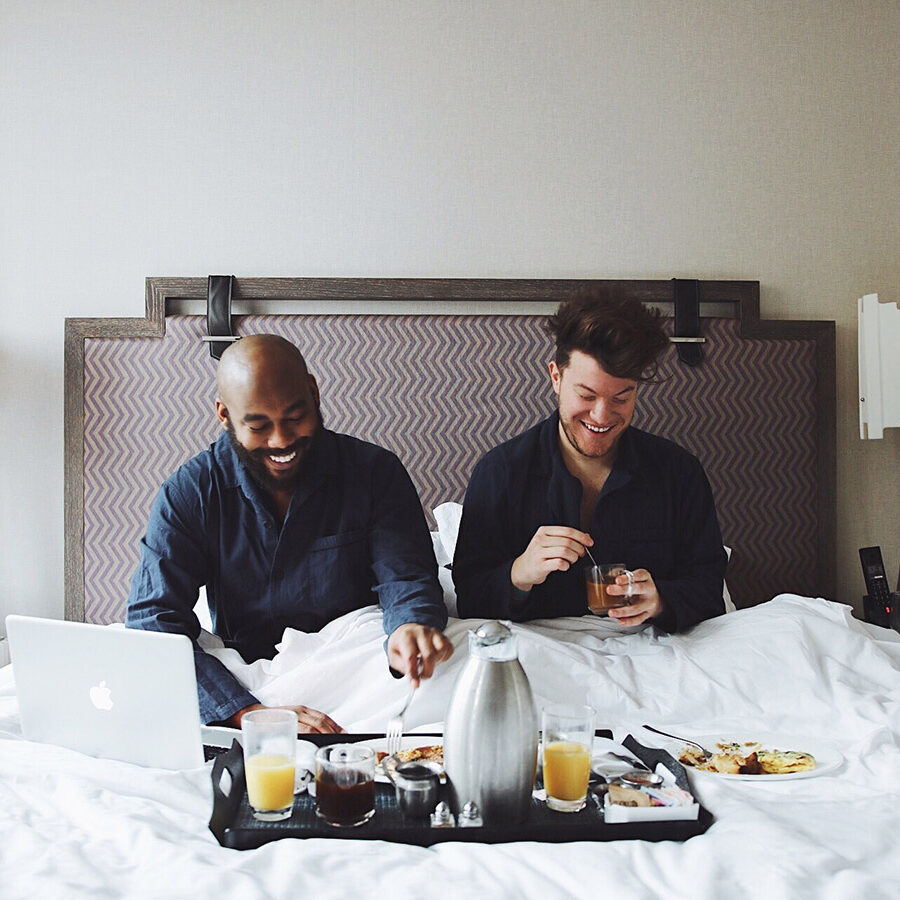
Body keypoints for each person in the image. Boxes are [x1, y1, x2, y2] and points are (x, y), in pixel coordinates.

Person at [126, 334, 452, 733]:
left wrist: (409, 627)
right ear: (224, 415)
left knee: (471, 664)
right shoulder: (190, 492)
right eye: (259, 426)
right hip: (248, 678)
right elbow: (152, 622)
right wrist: (249, 714)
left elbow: (406, 578)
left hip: (360, 669)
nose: (281, 441)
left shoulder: (375, 472)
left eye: (295, 417)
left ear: (314, 393)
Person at [453, 294, 727, 633]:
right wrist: (519, 573)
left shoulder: (678, 473)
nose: (601, 416)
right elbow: (468, 599)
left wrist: (661, 600)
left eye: (621, 398)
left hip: (653, 659)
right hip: (541, 657)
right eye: (586, 395)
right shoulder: (500, 472)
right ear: (556, 377)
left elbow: (709, 589)